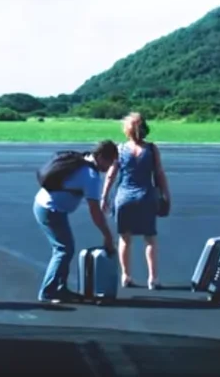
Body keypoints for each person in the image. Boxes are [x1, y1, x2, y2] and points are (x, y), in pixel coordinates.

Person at [33, 140, 119, 304]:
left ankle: (60, 288)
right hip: (50, 209)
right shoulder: (91, 176)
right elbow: (95, 211)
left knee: (65, 248)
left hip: (48, 205)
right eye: (109, 162)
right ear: (100, 156)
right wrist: (107, 236)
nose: (109, 168)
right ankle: (48, 292)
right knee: (63, 250)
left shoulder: (83, 159)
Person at [101, 112, 171, 290]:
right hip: (146, 196)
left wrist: (104, 196)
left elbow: (111, 175)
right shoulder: (152, 149)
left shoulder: (121, 149)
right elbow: (159, 173)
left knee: (125, 239)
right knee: (150, 239)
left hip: (124, 197)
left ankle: (126, 275)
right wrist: (166, 194)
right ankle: (153, 278)